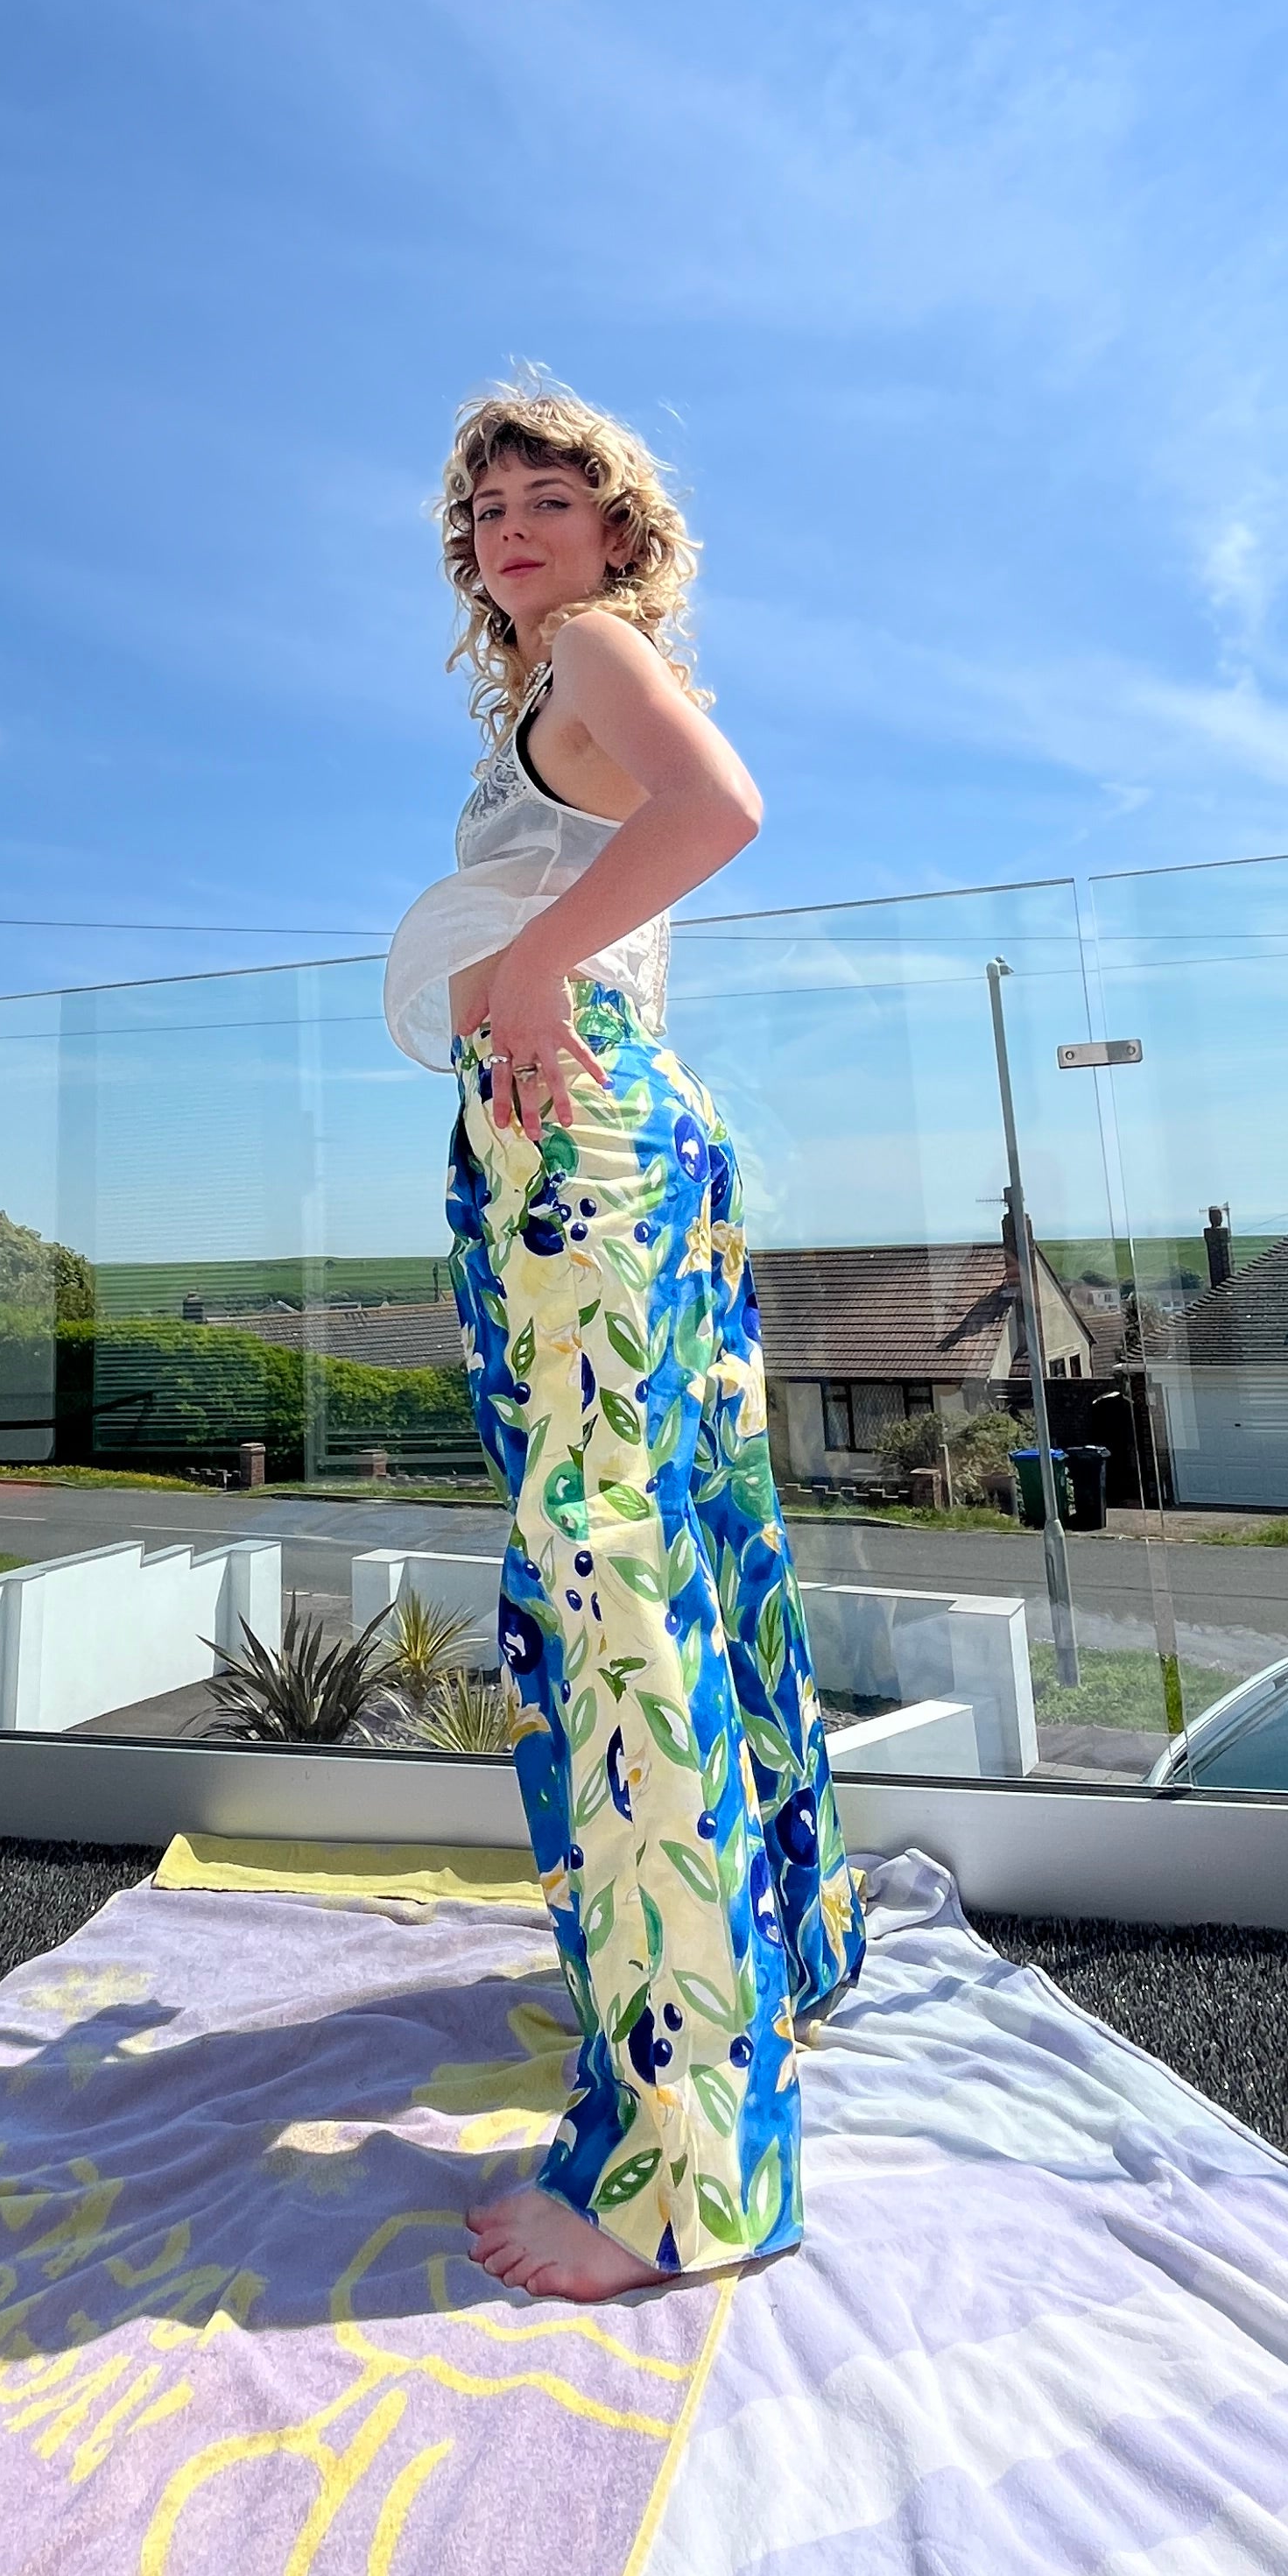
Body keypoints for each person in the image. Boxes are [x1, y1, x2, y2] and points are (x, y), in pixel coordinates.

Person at [383, 372, 865, 2302]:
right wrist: (537, 959)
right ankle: (782, 1959)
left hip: (582, 1138)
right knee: (706, 1544)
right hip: (634, 1118)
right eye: (487, 501)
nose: (513, 522)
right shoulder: (558, 674)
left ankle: (683, 2177)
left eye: (549, 493)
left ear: (612, 531)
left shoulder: (590, 648)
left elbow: (721, 813)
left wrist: (534, 961)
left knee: (607, 1583)